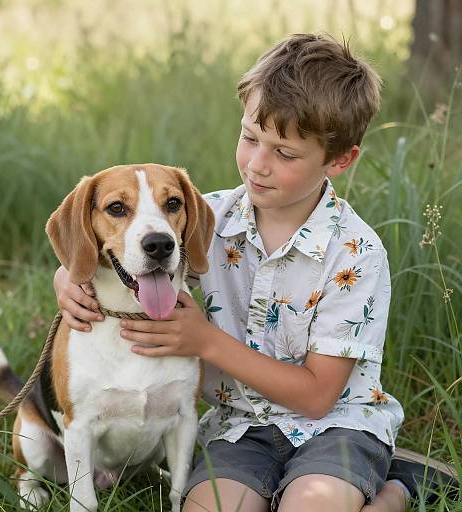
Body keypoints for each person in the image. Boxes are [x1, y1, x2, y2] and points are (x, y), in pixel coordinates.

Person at [53, 34, 457, 511]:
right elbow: (126, 250)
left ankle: (396, 490)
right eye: (250, 137)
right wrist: (67, 280)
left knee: (311, 506)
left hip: (338, 425)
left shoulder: (356, 253)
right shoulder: (208, 218)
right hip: (239, 429)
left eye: (284, 153)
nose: (258, 165)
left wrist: (205, 341)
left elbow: (318, 397)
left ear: (339, 159)